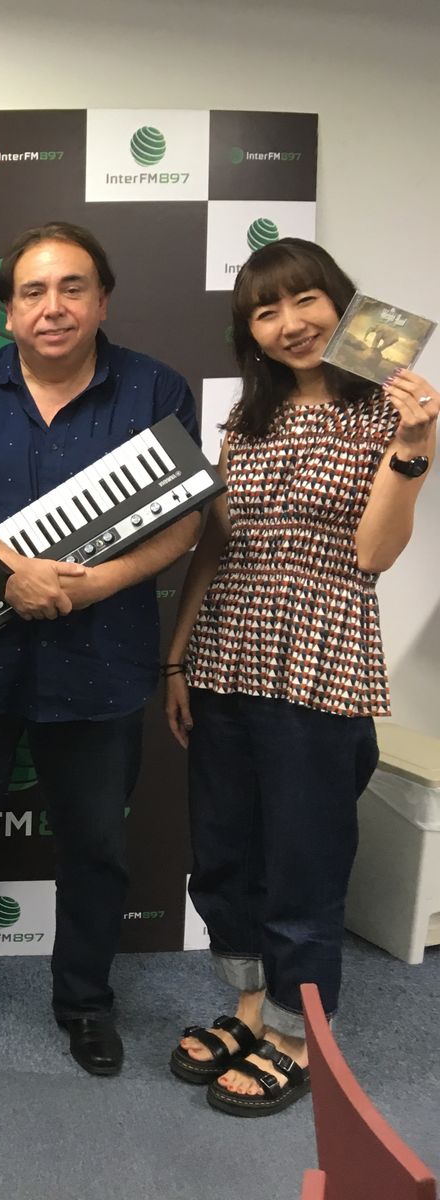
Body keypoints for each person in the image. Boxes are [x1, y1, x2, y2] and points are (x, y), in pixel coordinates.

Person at [0, 221, 200, 1076]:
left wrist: (101, 583)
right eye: (33, 292)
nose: (54, 307)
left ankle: (84, 1000)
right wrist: (12, 571)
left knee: (96, 847)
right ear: (8, 312)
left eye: (73, 287)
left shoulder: (156, 388)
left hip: (101, 658)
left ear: (102, 300)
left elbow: (184, 519)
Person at [164, 238, 435, 1117]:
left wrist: (414, 445)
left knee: (304, 864)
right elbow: (215, 545)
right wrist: (179, 655)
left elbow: (374, 553)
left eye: (304, 299)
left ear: (342, 303)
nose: (290, 323)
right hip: (226, 654)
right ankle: (252, 1007)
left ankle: (297, 1035)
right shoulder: (246, 422)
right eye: (265, 311)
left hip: (321, 658)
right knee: (226, 854)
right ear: (249, 331)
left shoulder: (386, 416)